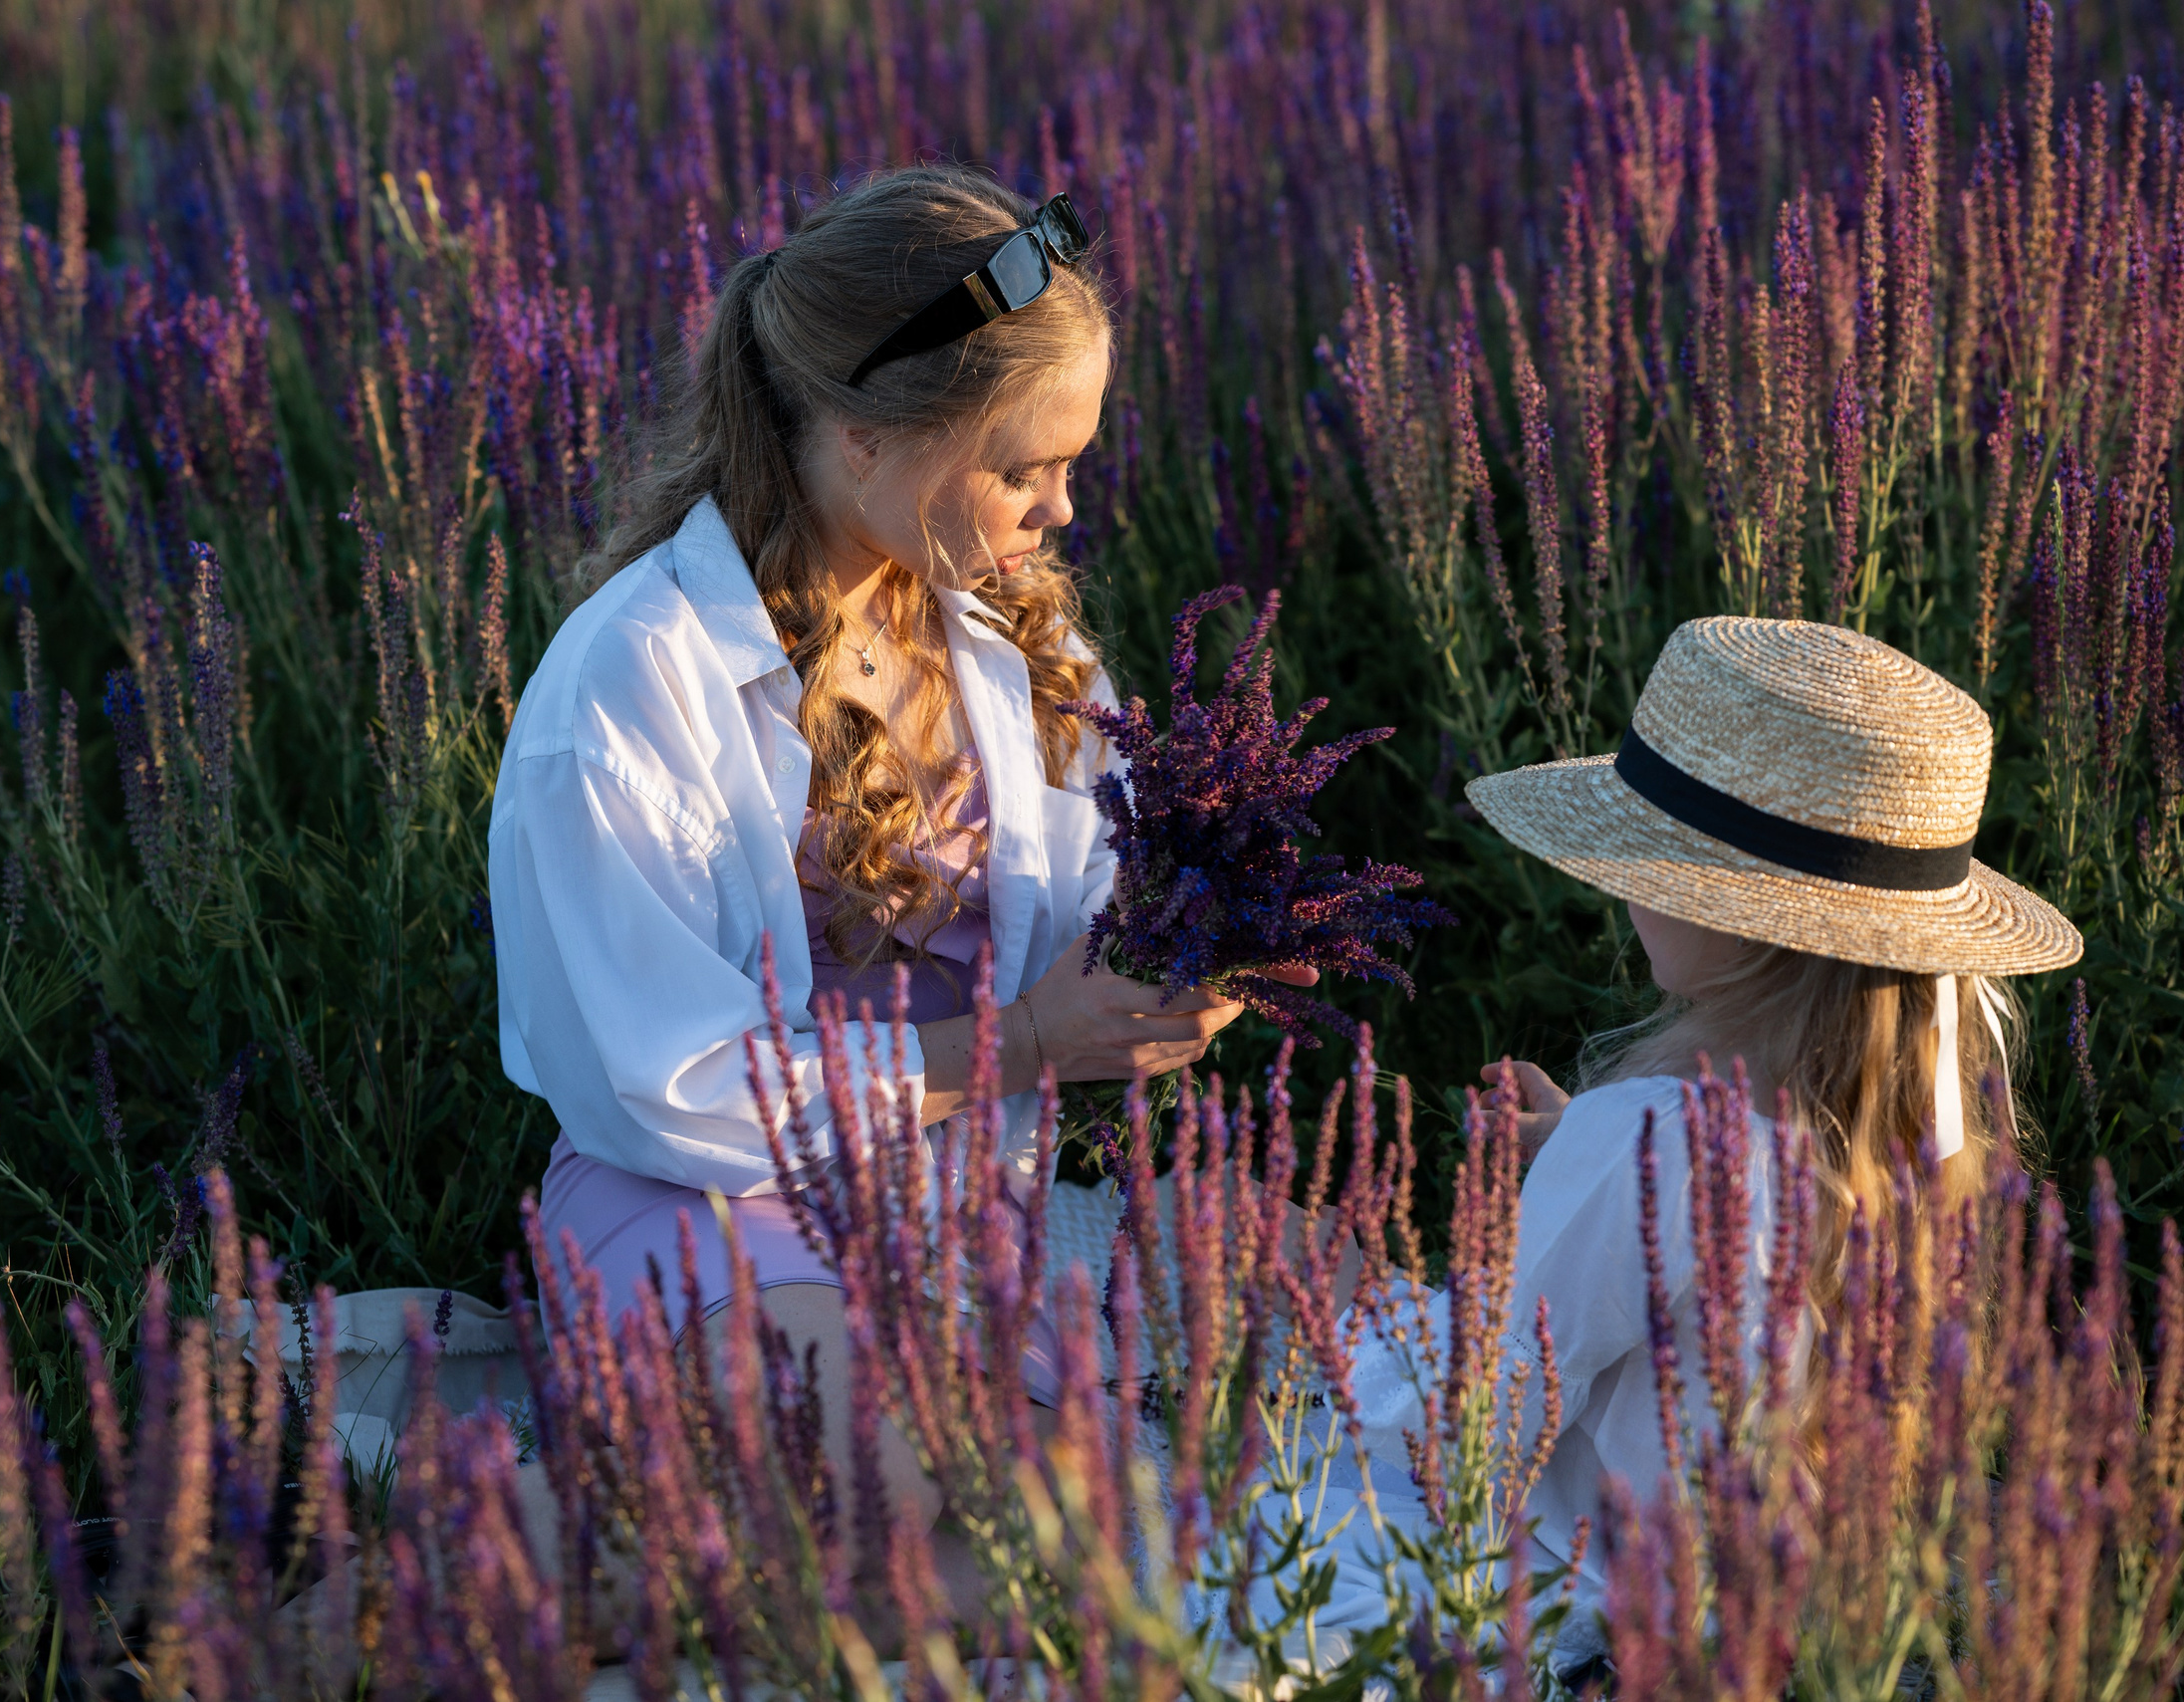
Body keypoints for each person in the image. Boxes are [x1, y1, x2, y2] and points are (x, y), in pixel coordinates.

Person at [488, 163, 1310, 1621]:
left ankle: (669, 1552)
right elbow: (658, 1088)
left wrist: (1179, 958)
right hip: (707, 1206)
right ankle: (420, 1590)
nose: (1062, 506)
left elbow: (1083, 919)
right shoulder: (631, 682)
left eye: (1072, 459)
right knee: (943, 1510)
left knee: (1126, 1508)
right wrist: (1029, 1046)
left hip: (956, 1220)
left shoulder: (1007, 635)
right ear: (864, 434)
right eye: (1022, 466)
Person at [1271, 614, 2082, 1658]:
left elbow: (1473, 1436)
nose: (1617, 882)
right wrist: (1578, 1152)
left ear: (1737, 914)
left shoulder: (1647, 1142)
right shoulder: (1891, 1126)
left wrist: (1346, 1299)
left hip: (1572, 1588)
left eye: (1644, 856)